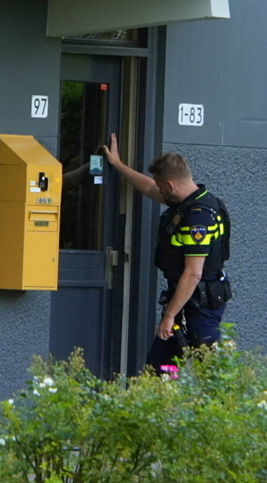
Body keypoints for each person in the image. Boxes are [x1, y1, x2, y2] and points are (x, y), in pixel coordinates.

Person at [101, 133, 232, 371]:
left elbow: (193, 274)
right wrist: (118, 165)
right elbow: (150, 187)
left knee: (209, 372)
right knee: (159, 368)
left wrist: (169, 316)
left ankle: (219, 408)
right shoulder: (191, 202)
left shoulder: (198, 218)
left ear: (171, 185)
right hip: (184, 300)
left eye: (162, 188)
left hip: (199, 304)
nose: (159, 192)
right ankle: (163, 407)